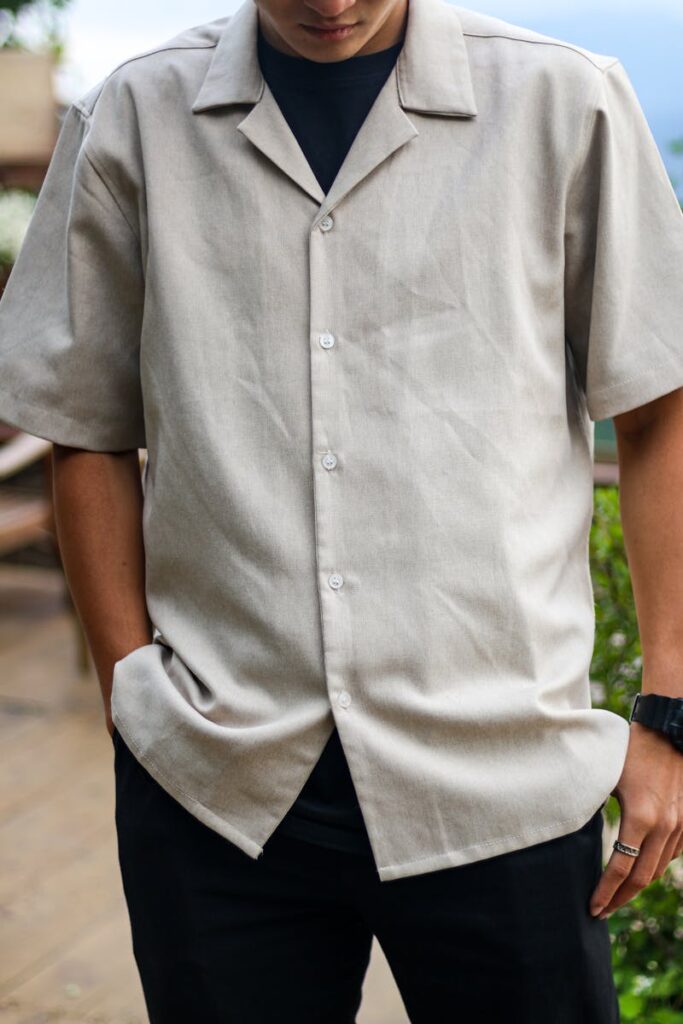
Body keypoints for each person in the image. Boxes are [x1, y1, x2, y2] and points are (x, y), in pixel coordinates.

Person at [1, 0, 683, 1019]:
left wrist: (666, 714)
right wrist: (127, 689)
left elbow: (656, 405)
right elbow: (83, 420)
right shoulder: (133, 115)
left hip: (503, 778)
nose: (329, 4)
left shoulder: (563, 100)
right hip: (216, 779)